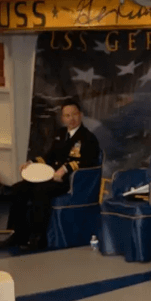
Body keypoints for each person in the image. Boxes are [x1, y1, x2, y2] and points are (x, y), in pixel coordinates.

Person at [4, 101, 100, 251]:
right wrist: (32, 162)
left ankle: (38, 237)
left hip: (69, 181)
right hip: (51, 176)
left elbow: (88, 161)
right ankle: (19, 233)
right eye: (67, 116)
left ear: (81, 115)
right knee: (19, 188)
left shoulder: (88, 138)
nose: (71, 118)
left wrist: (66, 168)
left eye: (74, 114)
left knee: (40, 190)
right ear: (62, 118)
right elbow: (49, 157)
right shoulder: (60, 134)